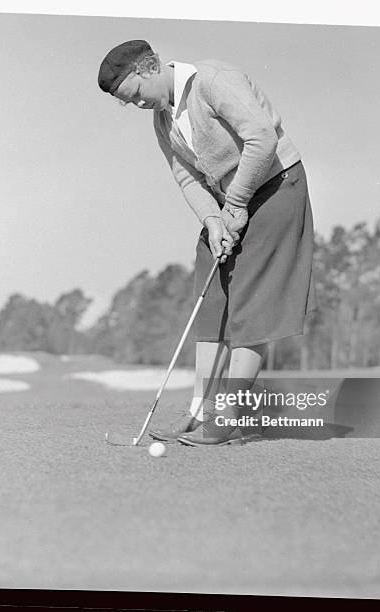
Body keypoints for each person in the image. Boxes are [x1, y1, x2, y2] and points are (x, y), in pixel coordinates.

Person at [98, 40, 317, 446]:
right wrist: (213, 220)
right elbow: (187, 177)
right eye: (128, 103)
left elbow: (261, 140)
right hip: (227, 204)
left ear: (149, 68)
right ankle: (200, 411)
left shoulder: (213, 81)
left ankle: (229, 415)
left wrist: (235, 203)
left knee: (253, 304)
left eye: (136, 96)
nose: (138, 106)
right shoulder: (162, 120)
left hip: (276, 187)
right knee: (211, 298)